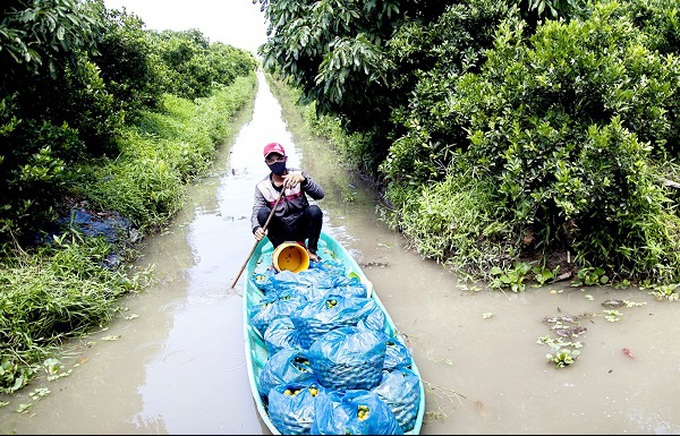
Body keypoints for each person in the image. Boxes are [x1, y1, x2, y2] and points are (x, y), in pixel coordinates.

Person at [251, 142, 325, 262]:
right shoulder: (262, 187)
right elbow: (256, 211)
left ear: (285, 159)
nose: (276, 163)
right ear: (267, 163)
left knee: (314, 210)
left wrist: (304, 181)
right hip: (281, 231)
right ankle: (279, 249)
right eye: (271, 160)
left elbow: (319, 194)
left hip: (301, 227)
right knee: (262, 213)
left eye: (279, 159)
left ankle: (311, 251)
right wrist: (256, 228)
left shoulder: (298, 175)